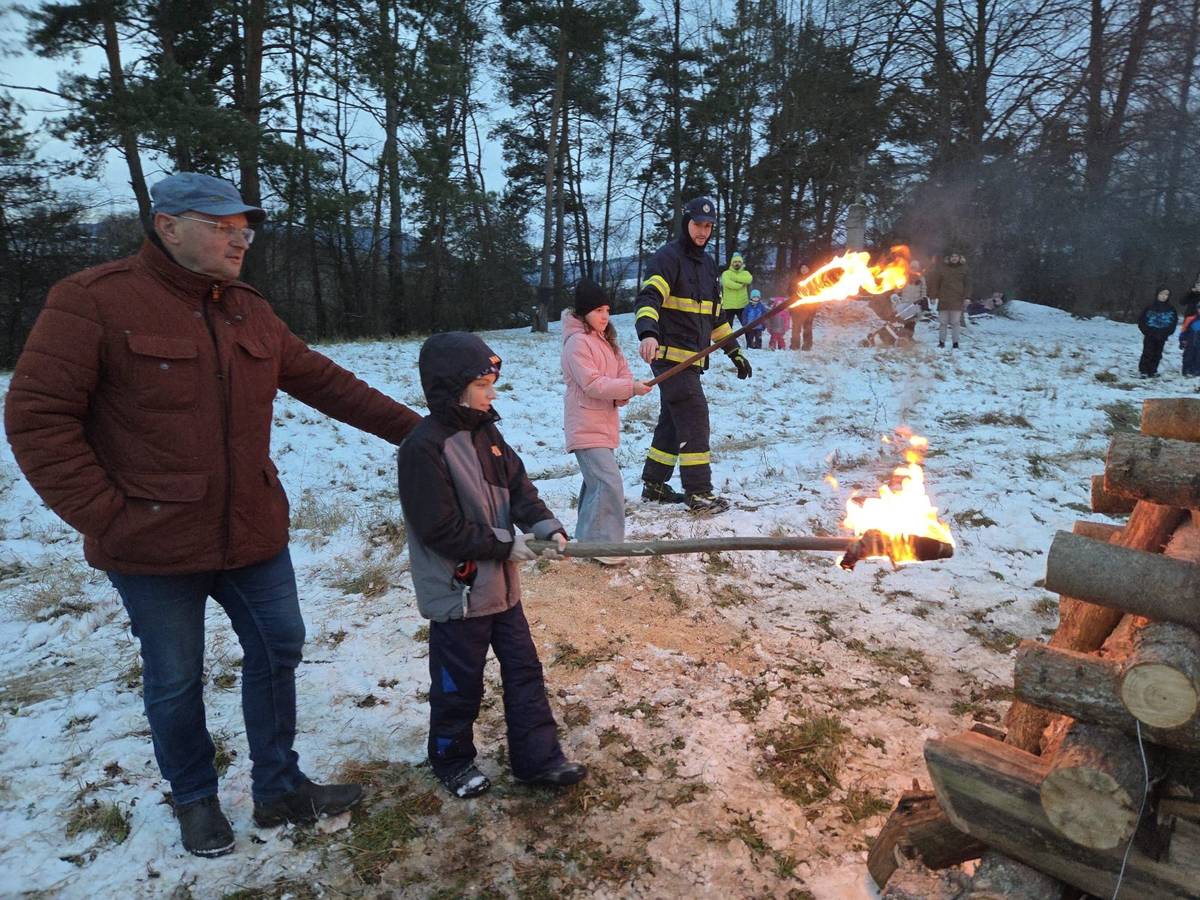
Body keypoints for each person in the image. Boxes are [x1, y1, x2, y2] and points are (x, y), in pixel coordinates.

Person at [3, 172, 423, 858]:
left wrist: (421, 432)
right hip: (150, 541)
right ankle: (195, 800)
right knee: (175, 678)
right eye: (223, 228)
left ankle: (280, 787)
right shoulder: (94, 301)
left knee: (278, 647)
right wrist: (102, 514)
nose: (240, 242)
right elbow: (37, 418)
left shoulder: (247, 309)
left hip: (252, 530)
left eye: (245, 230)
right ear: (167, 226)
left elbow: (323, 380)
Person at [396, 332, 584, 799]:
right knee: (459, 685)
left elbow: (519, 487)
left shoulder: (487, 433)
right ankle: (451, 758)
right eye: (483, 383)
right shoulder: (423, 449)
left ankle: (537, 758)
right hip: (458, 593)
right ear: (453, 385)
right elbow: (438, 527)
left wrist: (542, 523)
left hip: (501, 589)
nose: (492, 392)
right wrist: (504, 545)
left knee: (524, 670)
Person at [635, 196, 753, 513]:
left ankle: (654, 484)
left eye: (708, 226)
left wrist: (735, 353)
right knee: (694, 416)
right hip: (671, 357)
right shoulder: (667, 258)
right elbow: (649, 298)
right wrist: (647, 332)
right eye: (698, 225)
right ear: (685, 223)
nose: (703, 232)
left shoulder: (707, 266)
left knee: (673, 423)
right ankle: (699, 493)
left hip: (693, 359)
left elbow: (715, 318)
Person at [560, 279, 652, 560]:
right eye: (598, 310)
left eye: (607, 310)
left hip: (604, 425)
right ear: (584, 312)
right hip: (585, 425)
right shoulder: (577, 343)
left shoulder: (608, 342)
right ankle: (606, 548)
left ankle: (587, 541)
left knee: (595, 484)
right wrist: (628, 388)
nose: (605, 316)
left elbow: (621, 375)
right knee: (608, 482)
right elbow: (593, 384)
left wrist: (629, 389)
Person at [927, 250, 971, 349]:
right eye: (952, 256)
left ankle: (955, 343)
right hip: (944, 300)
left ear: (959, 258)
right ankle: (941, 342)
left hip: (957, 299)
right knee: (943, 323)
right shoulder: (942, 268)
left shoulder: (964, 269)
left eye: (956, 256)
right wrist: (933, 296)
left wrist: (967, 297)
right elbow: (935, 283)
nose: (954, 258)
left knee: (955, 323)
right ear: (949, 258)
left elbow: (968, 285)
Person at [1137, 287, 1178, 378]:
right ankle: (1143, 371)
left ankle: (1153, 370)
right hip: (1150, 335)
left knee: (1158, 354)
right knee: (1148, 352)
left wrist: (1169, 331)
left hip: (1162, 335)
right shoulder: (1149, 307)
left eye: (1166, 295)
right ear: (1157, 294)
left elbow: (1174, 321)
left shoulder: (1171, 308)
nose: (1164, 296)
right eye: (1162, 294)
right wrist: (1146, 331)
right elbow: (1141, 320)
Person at [720, 252, 753, 326]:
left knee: (747, 327)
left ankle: (749, 338)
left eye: (739, 262)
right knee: (727, 328)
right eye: (735, 262)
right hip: (728, 305)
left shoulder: (746, 273)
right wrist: (740, 285)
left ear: (742, 263)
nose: (737, 263)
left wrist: (735, 278)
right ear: (732, 263)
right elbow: (727, 283)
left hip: (742, 305)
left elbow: (749, 280)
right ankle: (730, 338)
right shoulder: (726, 273)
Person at [787, 264, 816, 350]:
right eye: (802, 267)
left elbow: (816, 293)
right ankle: (795, 345)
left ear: (809, 269)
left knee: (807, 327)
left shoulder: (814, 280)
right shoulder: (795, 279)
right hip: (797, 308)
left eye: (806, 267)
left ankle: (807, 345)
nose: (803, 269)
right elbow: (789, 291)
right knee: (796, 327)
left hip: (809, 308)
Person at [1180, 295, 1200, 376]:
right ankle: (1186, 370)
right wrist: (1182, 340)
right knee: (1188, 356)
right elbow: (1184, 330)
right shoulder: (1190, 319)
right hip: (1190, 341)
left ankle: (1197, 370)